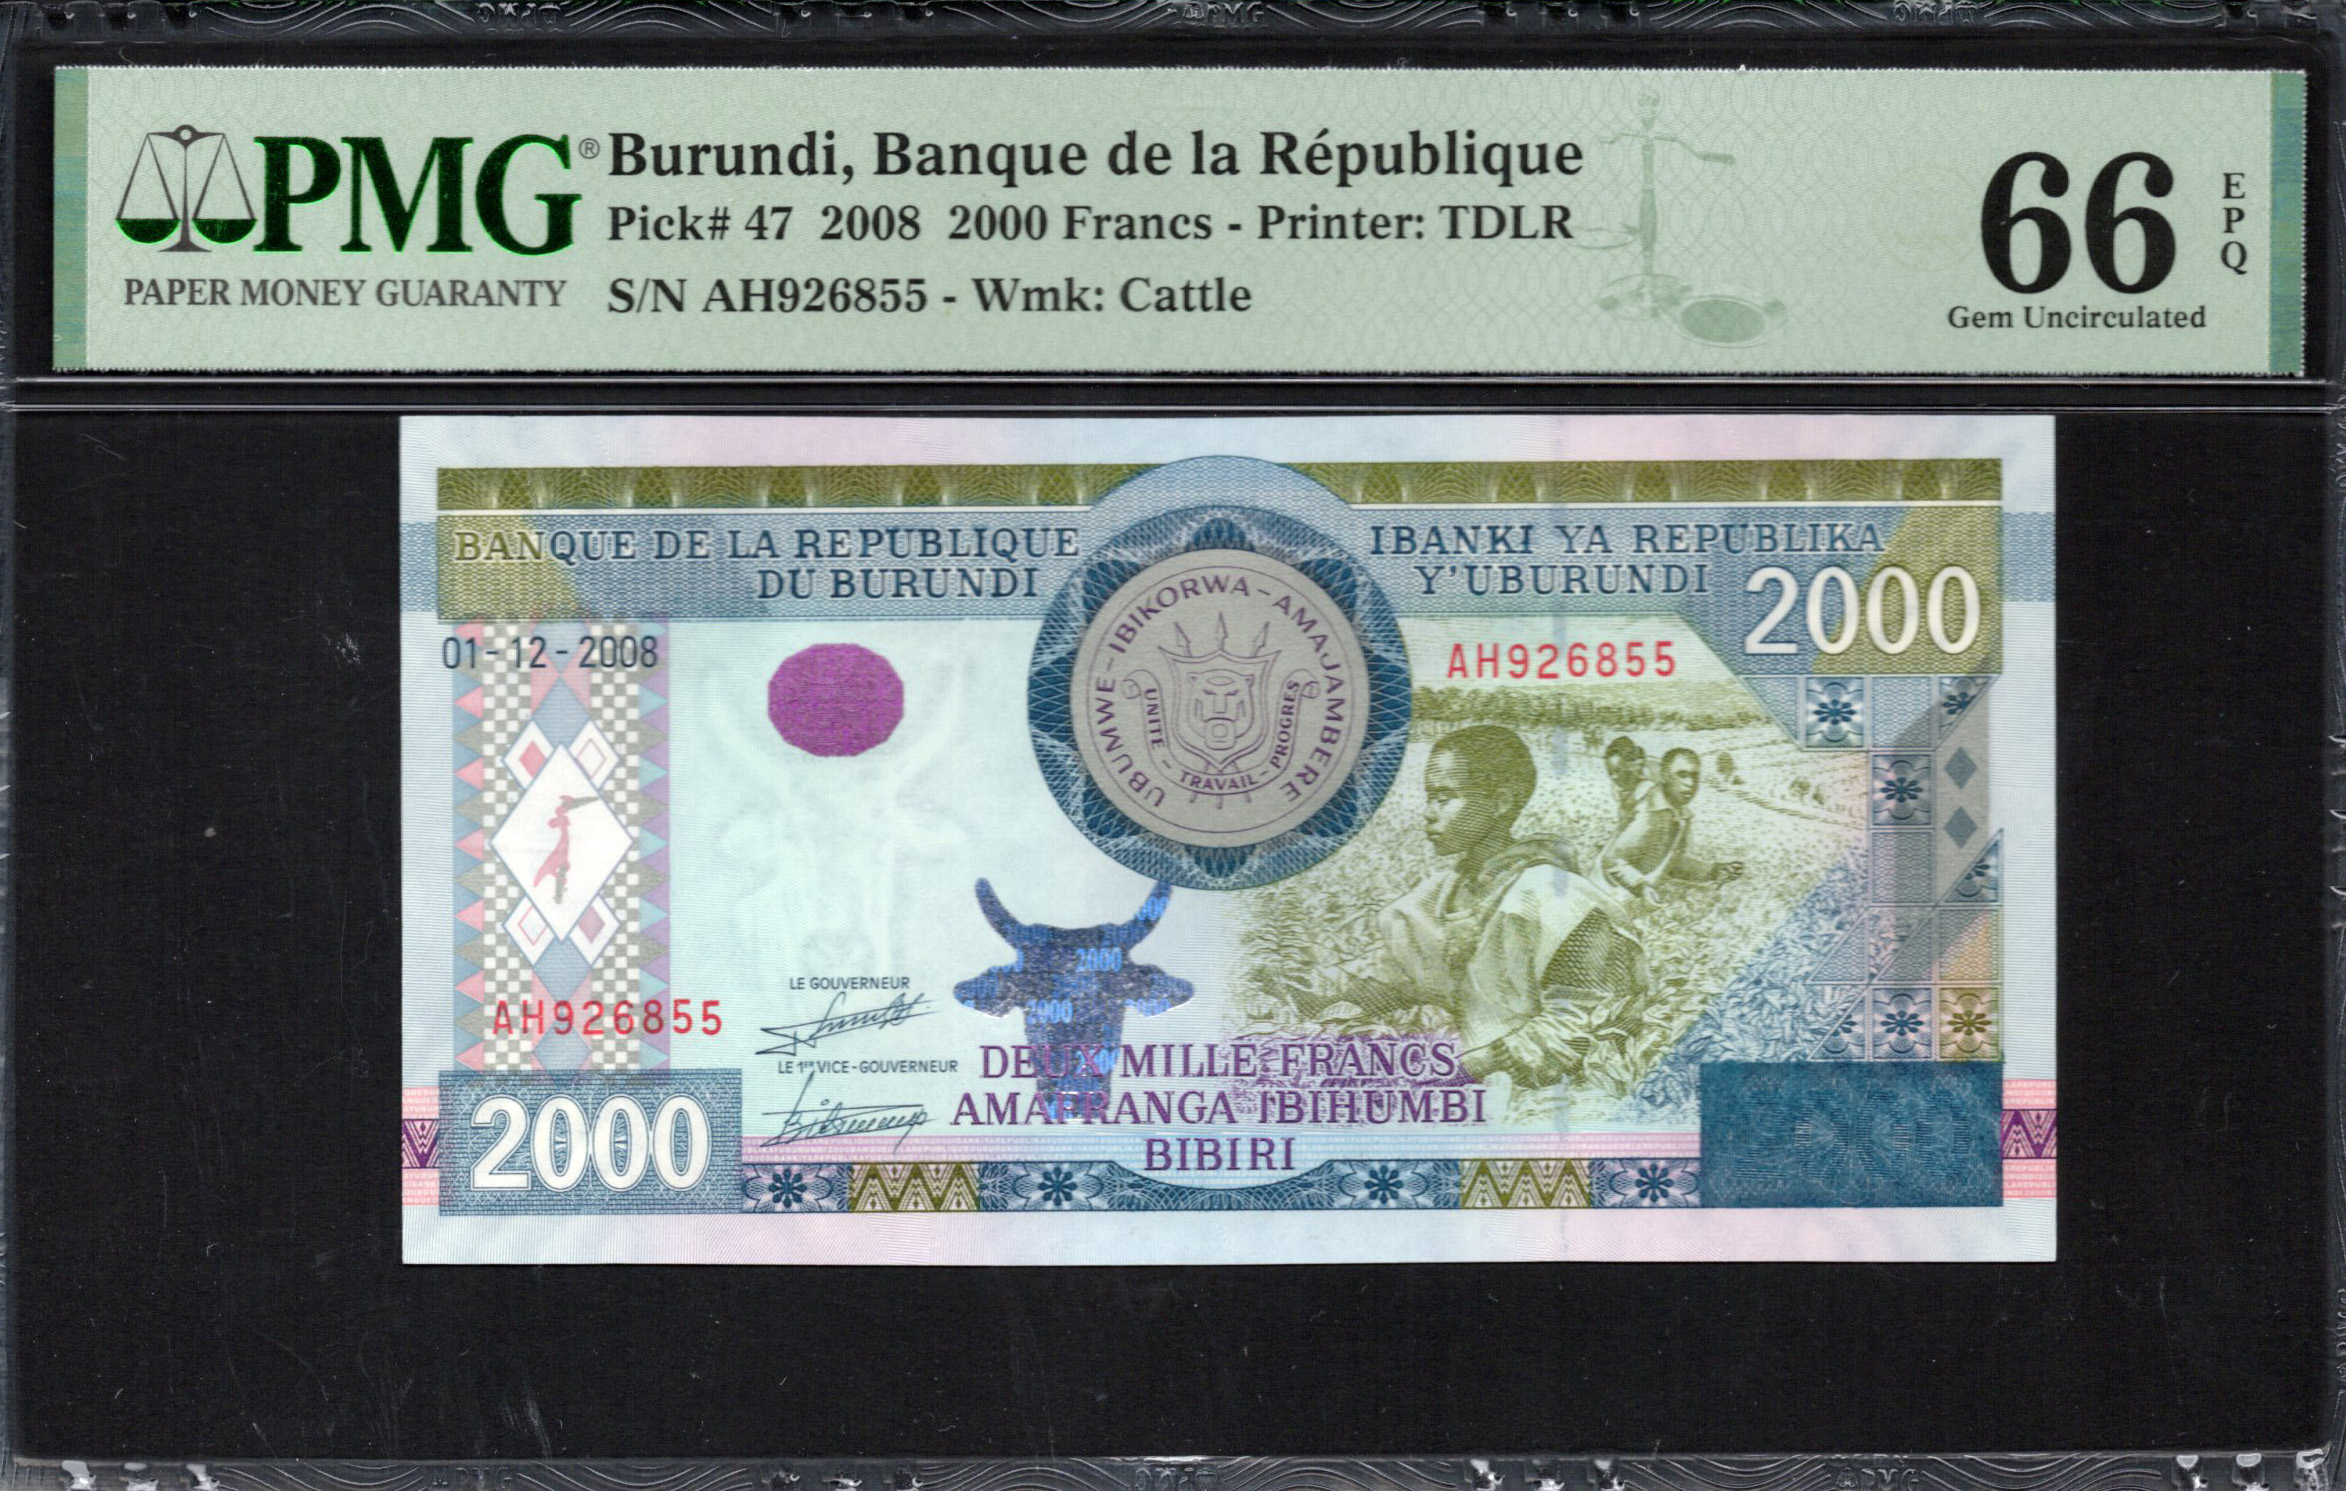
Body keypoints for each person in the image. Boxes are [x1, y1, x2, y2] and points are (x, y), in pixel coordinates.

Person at [1294, 726, 1652, 1113]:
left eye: (1444, 797)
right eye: (1429, 797)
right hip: (1473, 1090)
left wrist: (1462, 1070)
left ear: (1500, 802)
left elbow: (1580, 1027)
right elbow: (1387, 980)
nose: (1429, 813)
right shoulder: (1441, 895)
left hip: (1552, 1104)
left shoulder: (1554, 896)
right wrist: (1292, 986)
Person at [1600, 747, 1744, 901]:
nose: (1690, 783)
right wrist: (1640, 887)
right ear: (1664, 776)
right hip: (1604, 898)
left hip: (1632, 900)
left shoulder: (1680, 814)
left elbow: (1673, 863)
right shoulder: (1650, 811)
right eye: (1681, 775)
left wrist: (1714, 870)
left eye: (1694, 776)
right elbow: (1612, 860)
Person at [1603, 735, 1652, 829]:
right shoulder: (1616, 789)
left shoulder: (1647, 788)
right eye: (1610, 772)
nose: (1613, 777)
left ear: (1631, 766)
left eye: (1618, 771)